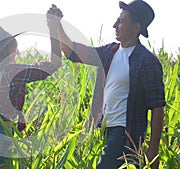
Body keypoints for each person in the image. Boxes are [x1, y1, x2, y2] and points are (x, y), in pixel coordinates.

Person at [47, 1, 165, 168]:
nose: (114, 25)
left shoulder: (147, 61)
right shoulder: (110, 52)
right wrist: (57, 24)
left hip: (125, 132)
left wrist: (153, 150)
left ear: (136, 27)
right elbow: (72, 52)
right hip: (105, 129)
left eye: (121, 21)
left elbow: (157, 107)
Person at [0, 10, 63, 169]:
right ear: (6, 51)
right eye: (15, 48)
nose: (17, 52)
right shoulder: (11, 71)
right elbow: (55, 64)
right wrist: (53, 29)